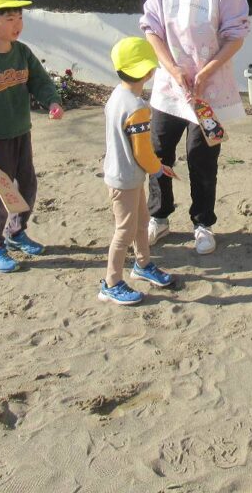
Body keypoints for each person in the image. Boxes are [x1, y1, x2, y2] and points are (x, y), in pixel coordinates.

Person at [139, 0, 250, 255]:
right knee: (158, 152)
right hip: (169, 87)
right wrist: (172, 69)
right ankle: (159, 217)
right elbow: (152, 30)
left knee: (201, 157)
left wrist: (206, 71)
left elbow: (235, 36)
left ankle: (203, 223)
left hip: (208, 90)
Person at [0, 0, 64, 273]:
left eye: (20, 18)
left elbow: (40, 81)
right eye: (9, 19)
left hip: (22, 133)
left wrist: (52, 101)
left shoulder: (22, 52)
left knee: (28, 185)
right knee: (1, 194)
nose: (17, 24)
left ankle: (16, 232)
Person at [98, 37, 177, 306]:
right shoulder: (138, 108)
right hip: (126, 179)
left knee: (142, 221)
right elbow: (142, 152)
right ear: (148, 72)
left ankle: (142, 264)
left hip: (123, 175)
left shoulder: (117, 95)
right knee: (124, 231)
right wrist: (158, 169)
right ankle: (111, 283)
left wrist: (154, 166)